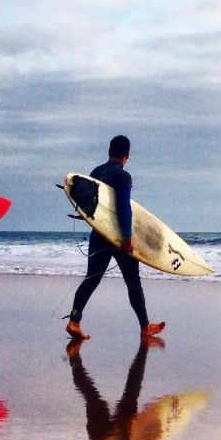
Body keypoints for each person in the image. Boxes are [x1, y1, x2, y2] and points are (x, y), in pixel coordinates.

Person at [66, 135, 165, 341]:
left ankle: (74, 321)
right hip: (118, 237)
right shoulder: (123, 176)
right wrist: (127, 237)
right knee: (132, 281)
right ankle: (145, 326)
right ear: (127, 155)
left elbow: (89, 206)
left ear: (109, 151)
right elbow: (123, 208)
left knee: (92, 277)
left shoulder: (95, 172)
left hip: (99, 234)